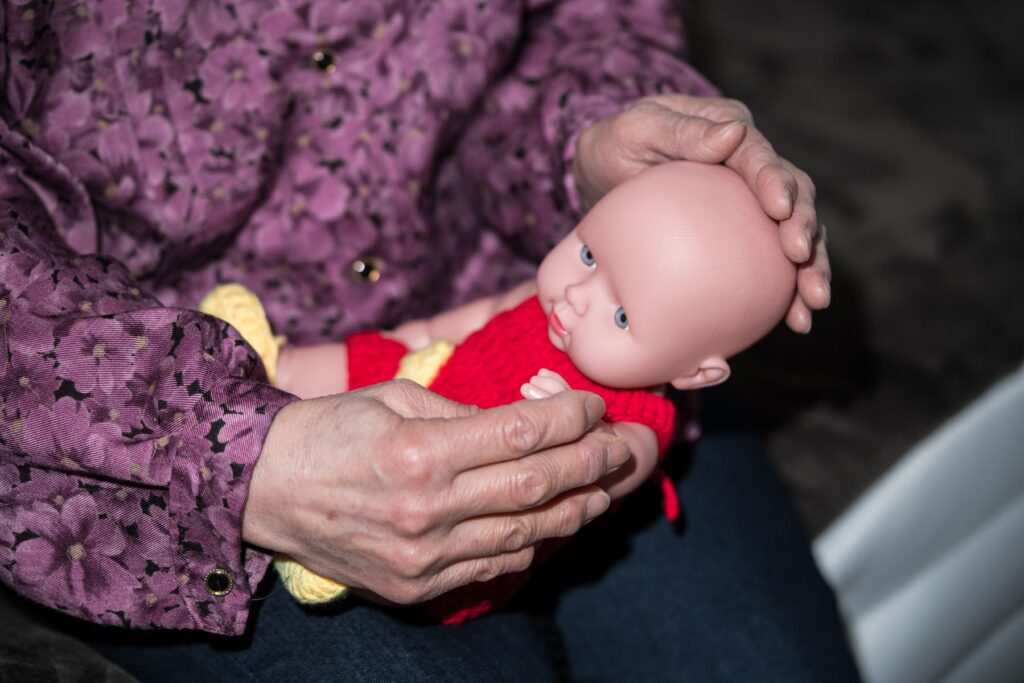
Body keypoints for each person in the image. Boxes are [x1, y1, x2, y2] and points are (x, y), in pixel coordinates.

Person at [0, 0, 851, 680]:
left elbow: (588, 22)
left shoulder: (633, 361)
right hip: (143, 373)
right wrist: (244, 428)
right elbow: (428, 342)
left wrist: (595, 130)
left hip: (486, 319)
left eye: (619, 308)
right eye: (587, 252)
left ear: (697, 367)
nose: (577, 294)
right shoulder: (558, 303)